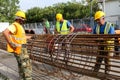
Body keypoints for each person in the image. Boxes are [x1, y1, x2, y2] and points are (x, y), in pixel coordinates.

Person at [3, 10, 32, 80]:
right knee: (26, 67)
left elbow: (21, 37)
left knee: (21, 66)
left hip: (22, 49)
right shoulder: (14, 25)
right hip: (20, 50)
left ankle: (22, 78)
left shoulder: (19, 26)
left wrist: (29, 37)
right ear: (19, 19)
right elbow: (5, 32)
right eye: (23, 19)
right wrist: (11, 43)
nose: (23, 21)